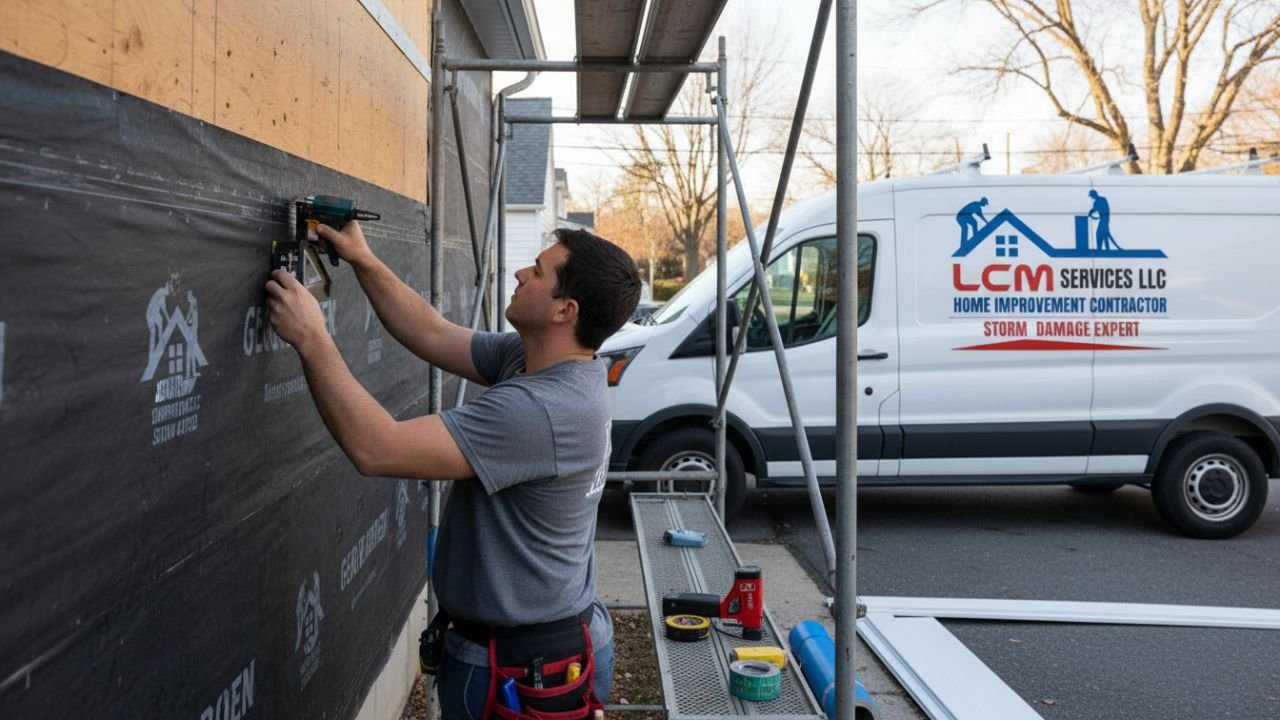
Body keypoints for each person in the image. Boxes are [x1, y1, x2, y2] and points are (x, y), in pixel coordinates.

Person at [264, 222, 641, 720]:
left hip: (520, 665)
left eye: (540, 271)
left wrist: (313, 337)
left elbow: (377, 448)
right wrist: (364, 259)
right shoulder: (544, 363)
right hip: (537, 645)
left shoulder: (540, 410)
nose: (520, 271)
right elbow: (431, 332)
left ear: (563, 311)